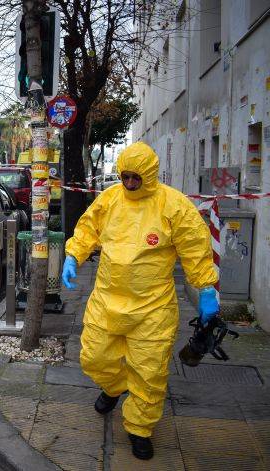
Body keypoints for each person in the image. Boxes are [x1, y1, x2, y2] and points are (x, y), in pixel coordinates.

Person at [61, 142, 219, 461]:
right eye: (126, 176)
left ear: (148, 175)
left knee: (149, 373)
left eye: (136, 177)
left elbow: (195, 247)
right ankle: (116, 386)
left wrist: (206, 289)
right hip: (107, 300)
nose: (130, 183)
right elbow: (89, 227)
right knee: (93, 357)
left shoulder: (174, 206)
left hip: (153, 309)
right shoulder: (111, 199)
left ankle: (139, 429)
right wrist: (73, 255)